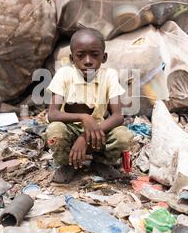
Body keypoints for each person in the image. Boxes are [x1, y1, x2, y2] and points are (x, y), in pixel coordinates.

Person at [44, 28, 133, 183]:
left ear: (104, 57)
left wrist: (85, 137)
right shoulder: (64, 74)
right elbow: (52, 114)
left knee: (123, 136)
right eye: (80, 55)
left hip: (98, 132)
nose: (88, 60)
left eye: (94, 54)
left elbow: (118, 116)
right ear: (72, 58)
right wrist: (83, 117)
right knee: (54, 131)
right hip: (70, 130)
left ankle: (101, 162)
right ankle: (68, 164)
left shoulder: (109, 76)